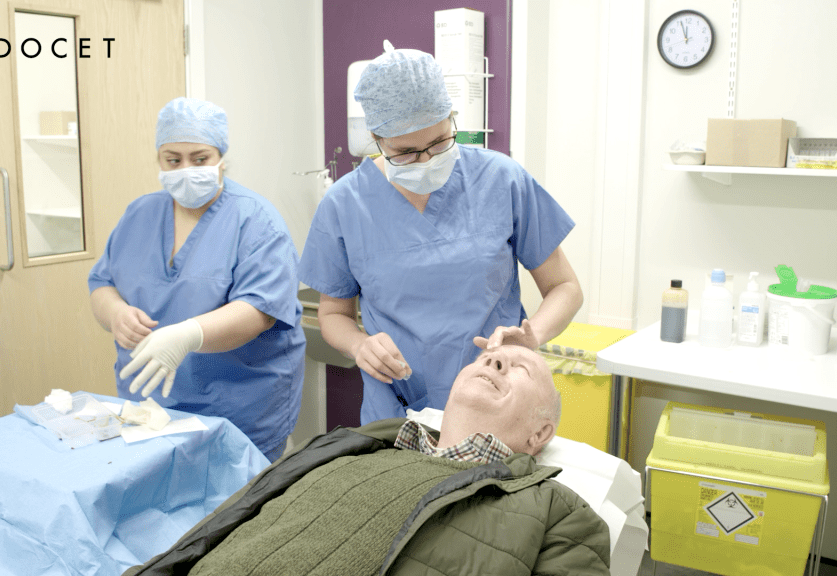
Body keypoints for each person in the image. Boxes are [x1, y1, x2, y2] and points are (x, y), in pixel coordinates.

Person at [124, 345, 610, 576]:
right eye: (487, 359)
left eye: (519, 368)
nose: (496, 361)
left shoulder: (558, 512)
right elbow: (225, 524)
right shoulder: (352, 446)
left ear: (540, 433)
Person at [298, 42, 583, 425]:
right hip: (397, 410)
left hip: (499, 407)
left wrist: (533, 336)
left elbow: (565, 287)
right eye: (406, 152)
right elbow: (334, 313)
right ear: (377, 140)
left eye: (438, 142)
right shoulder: (345, 205)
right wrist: (359, 344)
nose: (426, 161)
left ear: (451, 118)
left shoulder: (501, 180)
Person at [88, 97, 306, 462]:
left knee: (236, 513)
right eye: (173, 160)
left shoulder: (256, 221)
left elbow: (259, 311)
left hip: (238, 412)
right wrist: (114, 314)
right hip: (150, 410)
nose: (186, 169)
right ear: (159, 159)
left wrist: (187, 335)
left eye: (200, 159)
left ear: (221, 157)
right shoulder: (140, 213)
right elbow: (102, 282)